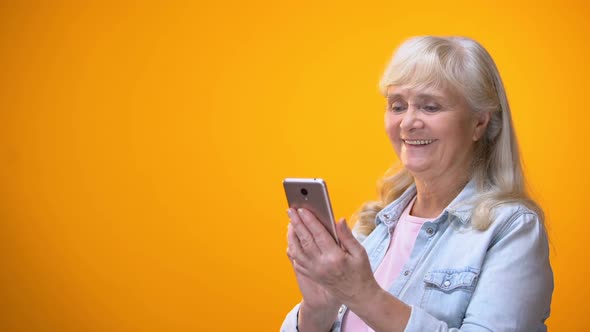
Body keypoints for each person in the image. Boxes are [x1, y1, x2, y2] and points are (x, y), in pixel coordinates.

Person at [280, 36, 553, 332]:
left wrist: (363, 295)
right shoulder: (373, 226)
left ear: (479, 123)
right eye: (397, 106)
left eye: (430, 107)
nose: (408, 122)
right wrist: (317, 309)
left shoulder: (511, 228)